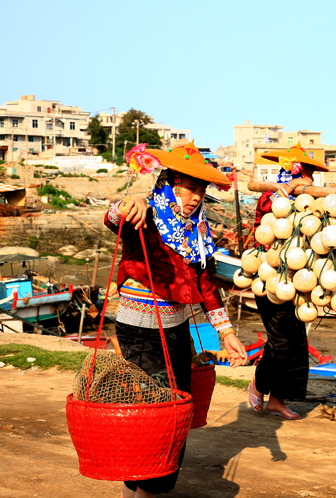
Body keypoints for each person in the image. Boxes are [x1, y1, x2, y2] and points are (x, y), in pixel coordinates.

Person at [104, 141, 247, 497]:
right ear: (171, 183)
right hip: (138, 331)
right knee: (150, 416)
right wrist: (127, 203)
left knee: (176, 413)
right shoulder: (147, 214)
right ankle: (141, 489)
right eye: (191, 188)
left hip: (177, 330)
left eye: (201, 190)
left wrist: (225, 332)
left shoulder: (196, 231)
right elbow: (113, 218)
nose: (197, 197)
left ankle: (147, 489)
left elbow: (205, 282)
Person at [247, 143, 329, 419]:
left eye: (311, 174)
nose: (311, 179)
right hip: (269, 276)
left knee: (295, 340)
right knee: (281, 338)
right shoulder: (271, 197)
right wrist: (293, 187)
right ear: (292, 172)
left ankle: (278, 399)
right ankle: (258, 384)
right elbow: (270, 209)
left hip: (300, 277)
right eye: (306, 172)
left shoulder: (310, 203)